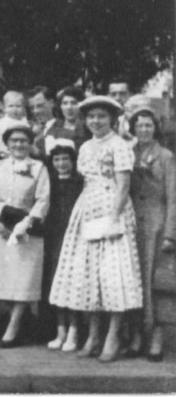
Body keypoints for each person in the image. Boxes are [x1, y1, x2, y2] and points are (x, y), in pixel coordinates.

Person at [49, 96, 143, 363]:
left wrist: (113, 218)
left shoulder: (121, 146)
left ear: (112, 119)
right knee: (89, 273)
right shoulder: (86, 146)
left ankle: (112, 336)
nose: (96, 121)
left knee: (114, 275)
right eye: (91, 117)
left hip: (112, 210)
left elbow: (123, 186)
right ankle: (92, 334)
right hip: (87, 210)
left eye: (101, 116)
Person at [0, 122, 50, 348]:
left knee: (23, 277)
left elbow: (43, 200)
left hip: (26, 231)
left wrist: (26, 224)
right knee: (2, 276)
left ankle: (14, 325)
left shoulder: (39, 168)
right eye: (14, 141)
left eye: (23, 141)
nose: (19, 145)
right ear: (7, 144)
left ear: (30, 144)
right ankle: (5, 321)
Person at [128, 107, 176, 362]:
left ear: (155, 128)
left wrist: (170, 233)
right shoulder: (128, 152)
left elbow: (173, 197)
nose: (143, 130)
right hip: (132, 222)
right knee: (134, 279)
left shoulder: (166, 156)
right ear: (133, 128)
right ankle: (137, 333)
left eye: (148, 125)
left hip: (157, 224)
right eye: (139, 125)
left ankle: (156, 335)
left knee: (155, 281)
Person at [42, 140, 83, 351]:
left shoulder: (80, 182)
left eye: (65, 158)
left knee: (72, 283)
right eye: (57, 159)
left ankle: (74, 330)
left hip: (75, 236)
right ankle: (60, 330)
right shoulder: (48, 182)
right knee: (55, 282)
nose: (61, 163)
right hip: (54, 236)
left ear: (73, 160)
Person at [37, 86, 89, 157]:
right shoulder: (54, 125)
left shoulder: (87, 128)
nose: (69, 107)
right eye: (65, 103)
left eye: (74, 103)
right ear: (60, 106)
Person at [0, 91, 29, 157]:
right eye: (11, 106)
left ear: (23, 108)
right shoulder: (3, 122)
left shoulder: (24, 120)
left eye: (18, 106)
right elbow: (6, 137)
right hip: (5, 151)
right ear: (4, 108)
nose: (14, 109)